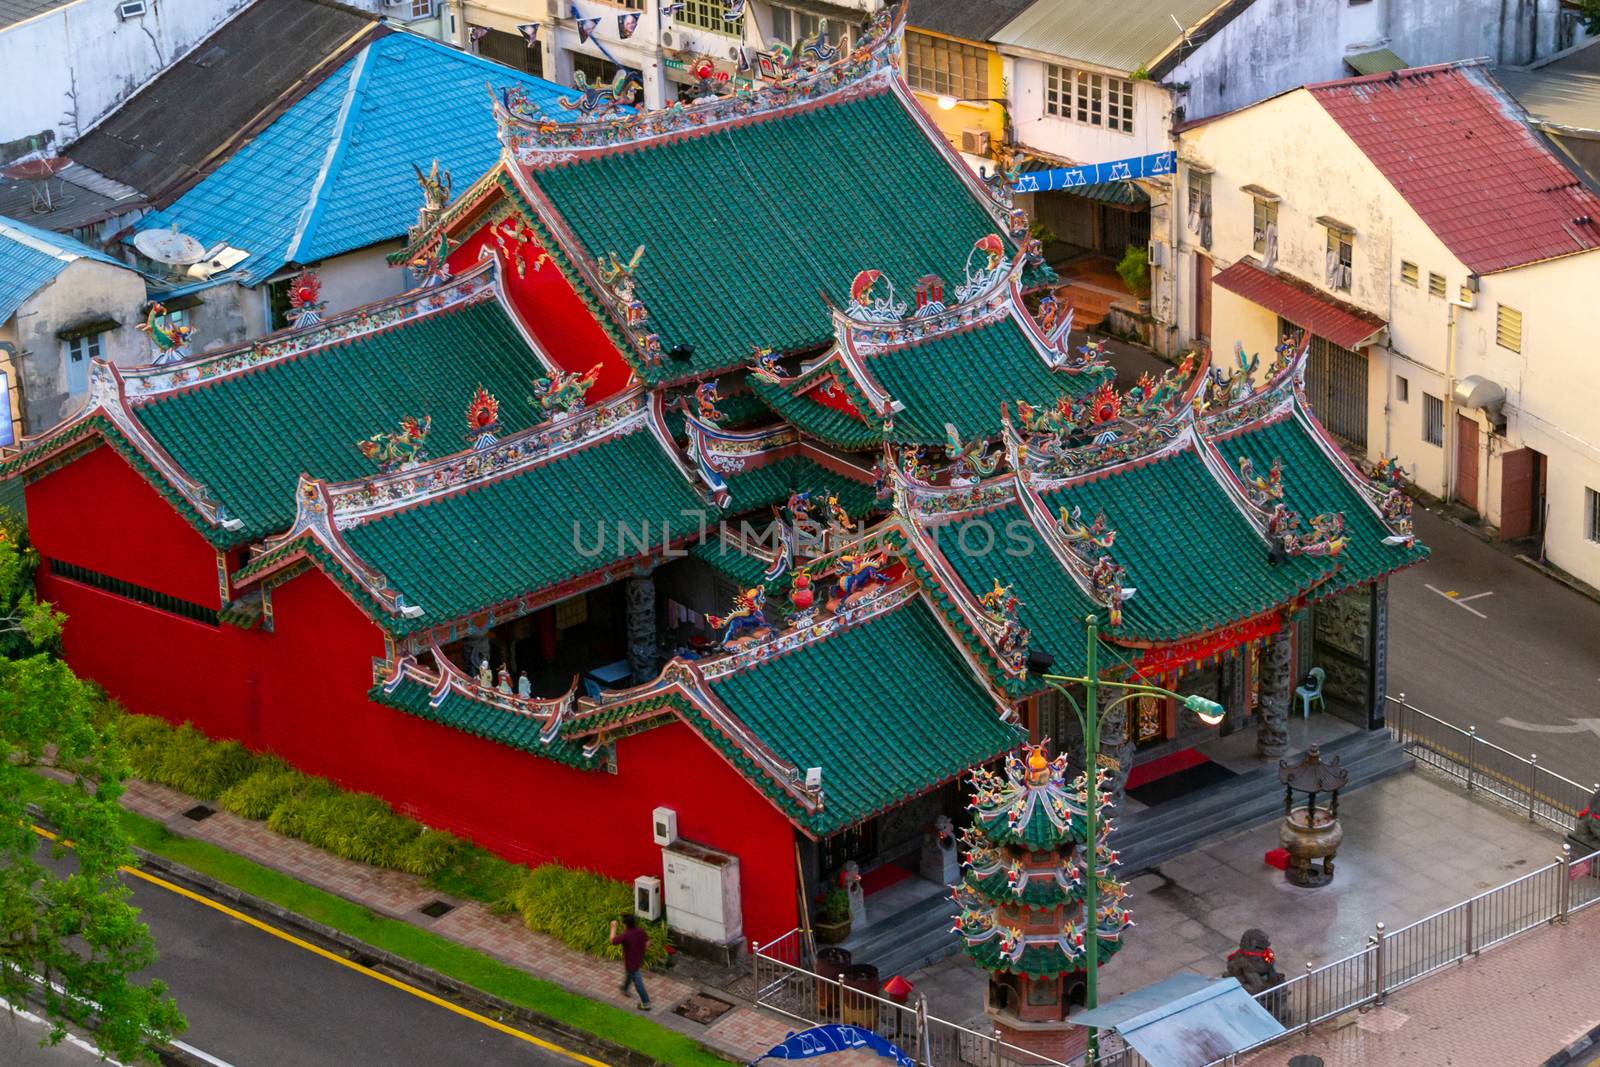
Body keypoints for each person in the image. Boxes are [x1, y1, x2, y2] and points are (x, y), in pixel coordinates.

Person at [609, 915, 651, 1010]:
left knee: (638, 982)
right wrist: (641, 950)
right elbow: (648, 942)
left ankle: (646, 1003)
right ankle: (625, 989)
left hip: (631, 963)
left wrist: (613, 927)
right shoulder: (641, 931)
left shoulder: (626, 935)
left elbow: (612, 941)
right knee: (630, 974)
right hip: (638, 959)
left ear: (625, 924)